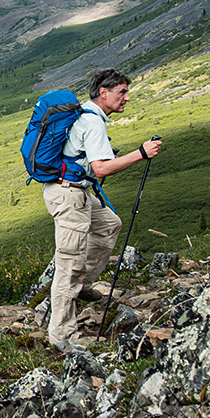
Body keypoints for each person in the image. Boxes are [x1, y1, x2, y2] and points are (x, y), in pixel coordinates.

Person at [42, 68, 161, 349]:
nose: (127, 98)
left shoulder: (83, 112)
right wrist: (140, 153)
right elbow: (102, 168)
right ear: (103, 93)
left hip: (76, 190)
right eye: (122, 92)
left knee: (109, 224)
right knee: (68, 264)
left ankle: (81, 284)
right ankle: (62, 337)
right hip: (69, 195)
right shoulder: (93, 122)